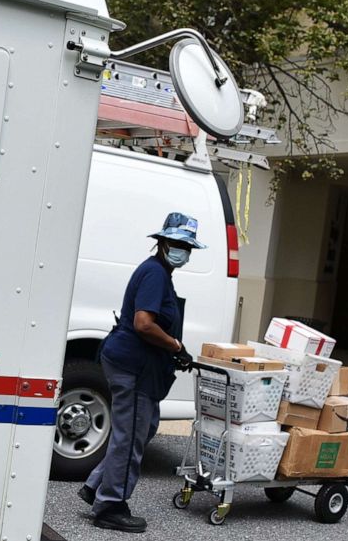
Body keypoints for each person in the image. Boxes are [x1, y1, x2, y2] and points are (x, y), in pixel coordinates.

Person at [77, 212, 203, 533]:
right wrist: (175, 345)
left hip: (136, 364)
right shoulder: (155, 273)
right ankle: (110, 505)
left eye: (186, 246)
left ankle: (96, 485)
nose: (181, 250)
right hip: (132, 365)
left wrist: (175, 349)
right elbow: (143, 323)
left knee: (143, 427)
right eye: (176, 243)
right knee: (131, 434)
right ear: (162, 242)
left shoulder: (160, 273)